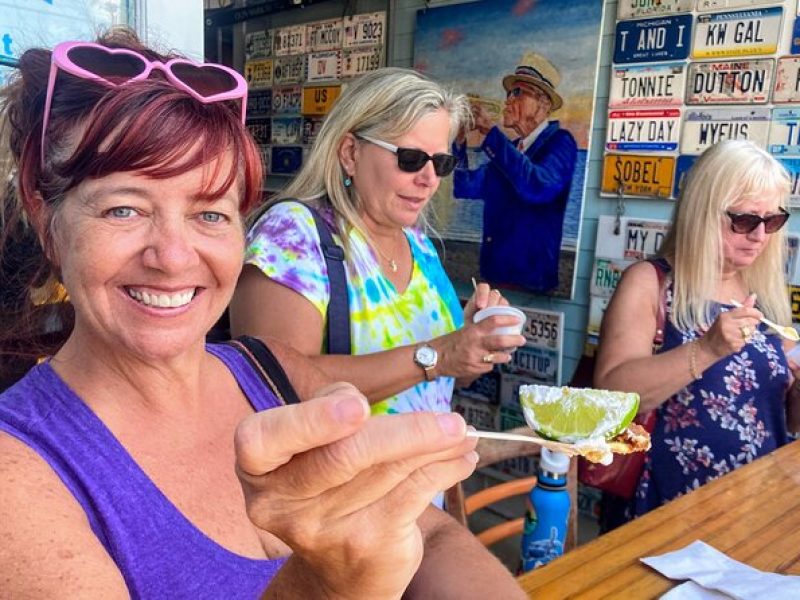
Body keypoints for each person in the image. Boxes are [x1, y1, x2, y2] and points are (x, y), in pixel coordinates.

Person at [0, 31, 526, 599]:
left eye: (210, 214)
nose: (174, 257)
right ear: (45, 218)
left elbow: (436, 539)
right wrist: (332, 585)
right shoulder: (19, 472)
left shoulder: (266, 370)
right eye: (122, 208)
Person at [230, 67, 526, 419]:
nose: (429, 179)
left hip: (432, 470)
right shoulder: (293, 234)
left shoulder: (420, 247)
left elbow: (441, 378)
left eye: (442, 163)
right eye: (410, 159)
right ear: (351, 153)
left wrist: (471, 345)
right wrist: (441, 353)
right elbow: (274, 386)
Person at [594, 140, 800, 525]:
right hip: (669, 506)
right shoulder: (652, 283)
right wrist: (707, 349)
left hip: (755, 507)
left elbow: (785, 418)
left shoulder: (763, 295)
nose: (759, 235)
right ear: (703, 213)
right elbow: (611, 394)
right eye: (744, 220)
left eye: (772, 221)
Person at [452, 51, 578, 293]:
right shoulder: (508, 150)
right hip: (494, 279)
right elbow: (464, 186)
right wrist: (459, 142)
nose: (508, 100)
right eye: (508, 93)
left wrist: (491, 134)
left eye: (517, 93)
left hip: (530, 282)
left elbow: (537, 187)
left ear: (543, 103)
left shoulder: (560, 142)